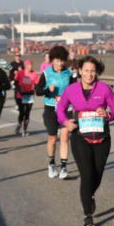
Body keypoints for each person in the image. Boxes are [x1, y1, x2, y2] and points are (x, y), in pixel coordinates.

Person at [57, 56, 114, 226]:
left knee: (97, 174)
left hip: (102, 138)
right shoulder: (71, 90)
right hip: (80, 137)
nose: (89, 74)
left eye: (93, 70)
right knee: (87, 174)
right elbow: (60, 109)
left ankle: (89, 195)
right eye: (86, 70)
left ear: (97, 72)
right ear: (79, 71)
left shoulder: (104, 89)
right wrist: (66, 123)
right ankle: (88, 216)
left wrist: (108, 114)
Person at [38, 45, 75, 179]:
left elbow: (75, 91)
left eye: (61, 61)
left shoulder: (69, 74)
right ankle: (51, 163)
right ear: (52, 60)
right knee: (52, 138)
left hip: (66, 109)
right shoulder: (47, 73)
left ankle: (64, 168)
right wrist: (48, 90)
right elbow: (38, 91)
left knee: (65, 137)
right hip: (50, 108)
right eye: (57, 61)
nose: (59, 64)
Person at [13, 59, 39, 137]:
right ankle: (19, 124)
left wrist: (35, 88)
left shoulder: (35, 74)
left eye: (31, 65)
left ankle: (25, 130)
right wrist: (20, 88)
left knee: (27, 113)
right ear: (25, 66)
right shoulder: (20, 73)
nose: (30, 66)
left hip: (29, 95)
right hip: (20, 95)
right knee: (22, 112)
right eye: (28, 65)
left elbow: (37, 85)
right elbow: (15, 83)